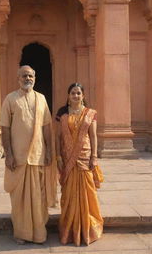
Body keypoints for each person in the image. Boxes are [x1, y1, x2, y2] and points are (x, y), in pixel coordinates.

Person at [0, 65, 57, 244]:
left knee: (39, 197)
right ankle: (22, 233)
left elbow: (47, 126)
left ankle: (39, 234)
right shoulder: (10, 99)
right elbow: (5, 127)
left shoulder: (41, 99)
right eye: (24, 76)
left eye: (31, 76)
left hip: (38, 155)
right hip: (18, 156)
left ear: (35, 78)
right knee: (19, 198)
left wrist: (49, 150)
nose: (28, 79)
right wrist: (8, 154)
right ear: (18, 78)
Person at [55, 83, 104, 246]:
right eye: (73, 93)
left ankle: (89, 228)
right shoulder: (62, 113)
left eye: (78, 93)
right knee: (68, 194)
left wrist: (94, 157)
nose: (76, 96)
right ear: (68, 96)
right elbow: (58, 137)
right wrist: (58, 157)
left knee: (87, 192)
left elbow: (93, 136)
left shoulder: (90, 113)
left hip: (85, 157)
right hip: (67, 158)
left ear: (83, 95)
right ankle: (70, 231)